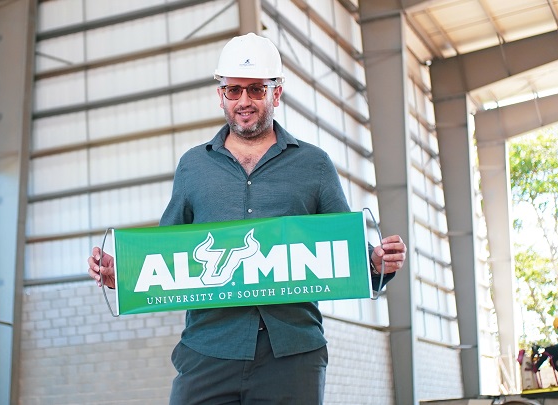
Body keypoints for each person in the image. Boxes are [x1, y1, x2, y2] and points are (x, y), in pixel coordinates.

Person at [87, 32, 406, 405]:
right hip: (208, 349)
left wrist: (376, 261)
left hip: (293, 353)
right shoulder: (193, 167)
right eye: (233, 90)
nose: (244, 101)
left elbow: (346, 252)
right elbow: (165, 253)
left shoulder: (314, 165)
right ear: (219, 94)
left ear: (277, 93)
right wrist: (120, 274)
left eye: (256, 89)